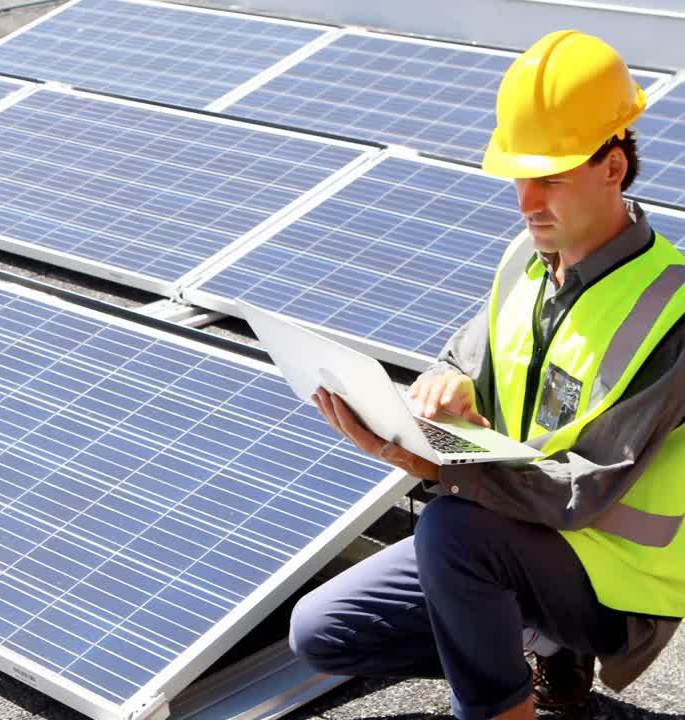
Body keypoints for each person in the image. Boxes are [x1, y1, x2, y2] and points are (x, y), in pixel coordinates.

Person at [287, 29, 685, 720]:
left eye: (549, 178)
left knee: (450, 531)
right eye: (519, 176)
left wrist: (439, 467)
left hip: (617, 586)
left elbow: (581, 493)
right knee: (322, 633)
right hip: (516, 534)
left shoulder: (670, 310)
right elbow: (461, 363)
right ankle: (541, 646)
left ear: (613, 168)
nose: (526, 200)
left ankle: (508, 703)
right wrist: (442, 393)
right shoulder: (524, 264)